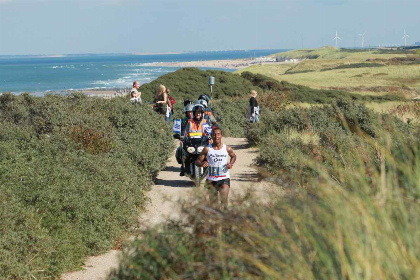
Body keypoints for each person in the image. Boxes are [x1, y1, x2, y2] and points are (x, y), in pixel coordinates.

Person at [196, 125, 236, 210]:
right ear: (211, 136)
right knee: (213, 204)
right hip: (211, 180)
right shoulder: (207, 149)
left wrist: (231, 164)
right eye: (214, 134)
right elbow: (197, 162)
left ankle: (225, 220)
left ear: (221, 136)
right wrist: (202, 163)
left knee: (224, 200)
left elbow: (233, 156)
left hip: (224, 178)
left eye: (218, 134)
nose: (216, 136)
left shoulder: (227, 148)